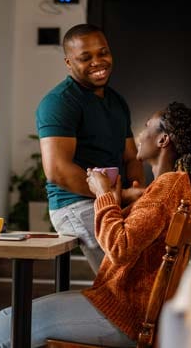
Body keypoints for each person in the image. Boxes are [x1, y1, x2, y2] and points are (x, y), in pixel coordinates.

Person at [0, 102, 191, 348]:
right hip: (121, 308)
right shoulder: (173, 185)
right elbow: (135, 237)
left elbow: (119, 247)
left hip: (121, 316)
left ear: (163, 140)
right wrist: (114, 200)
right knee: (9, 320)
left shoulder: (168, 186)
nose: (140, 133)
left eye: (147, 126)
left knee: (8, 324)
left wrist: (103, 195)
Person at [36, 23, 144, 273]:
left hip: (112, 198)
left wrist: (135, 190)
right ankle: (119, 309)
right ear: (68, 62)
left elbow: (131, 157)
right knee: (127, 272)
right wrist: (115, 197)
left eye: (103, 53)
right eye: (85, 57)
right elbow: (57, 170)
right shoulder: (59, 103)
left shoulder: (117, 101)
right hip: (74, 203)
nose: (98, 61)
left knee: (151, 251)